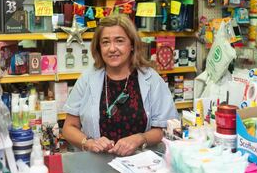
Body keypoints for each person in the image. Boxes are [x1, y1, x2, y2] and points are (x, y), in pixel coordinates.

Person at [62, 14, 178, 156]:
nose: (112, 49)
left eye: (119, 41)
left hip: (140, 163)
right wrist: (89, 143)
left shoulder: (151, 79)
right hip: (98, 164)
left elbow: (165, 128)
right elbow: (69, 127)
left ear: (132, 45)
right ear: (98, 47)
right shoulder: (87, 79)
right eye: (105, 42)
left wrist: (140, 138)